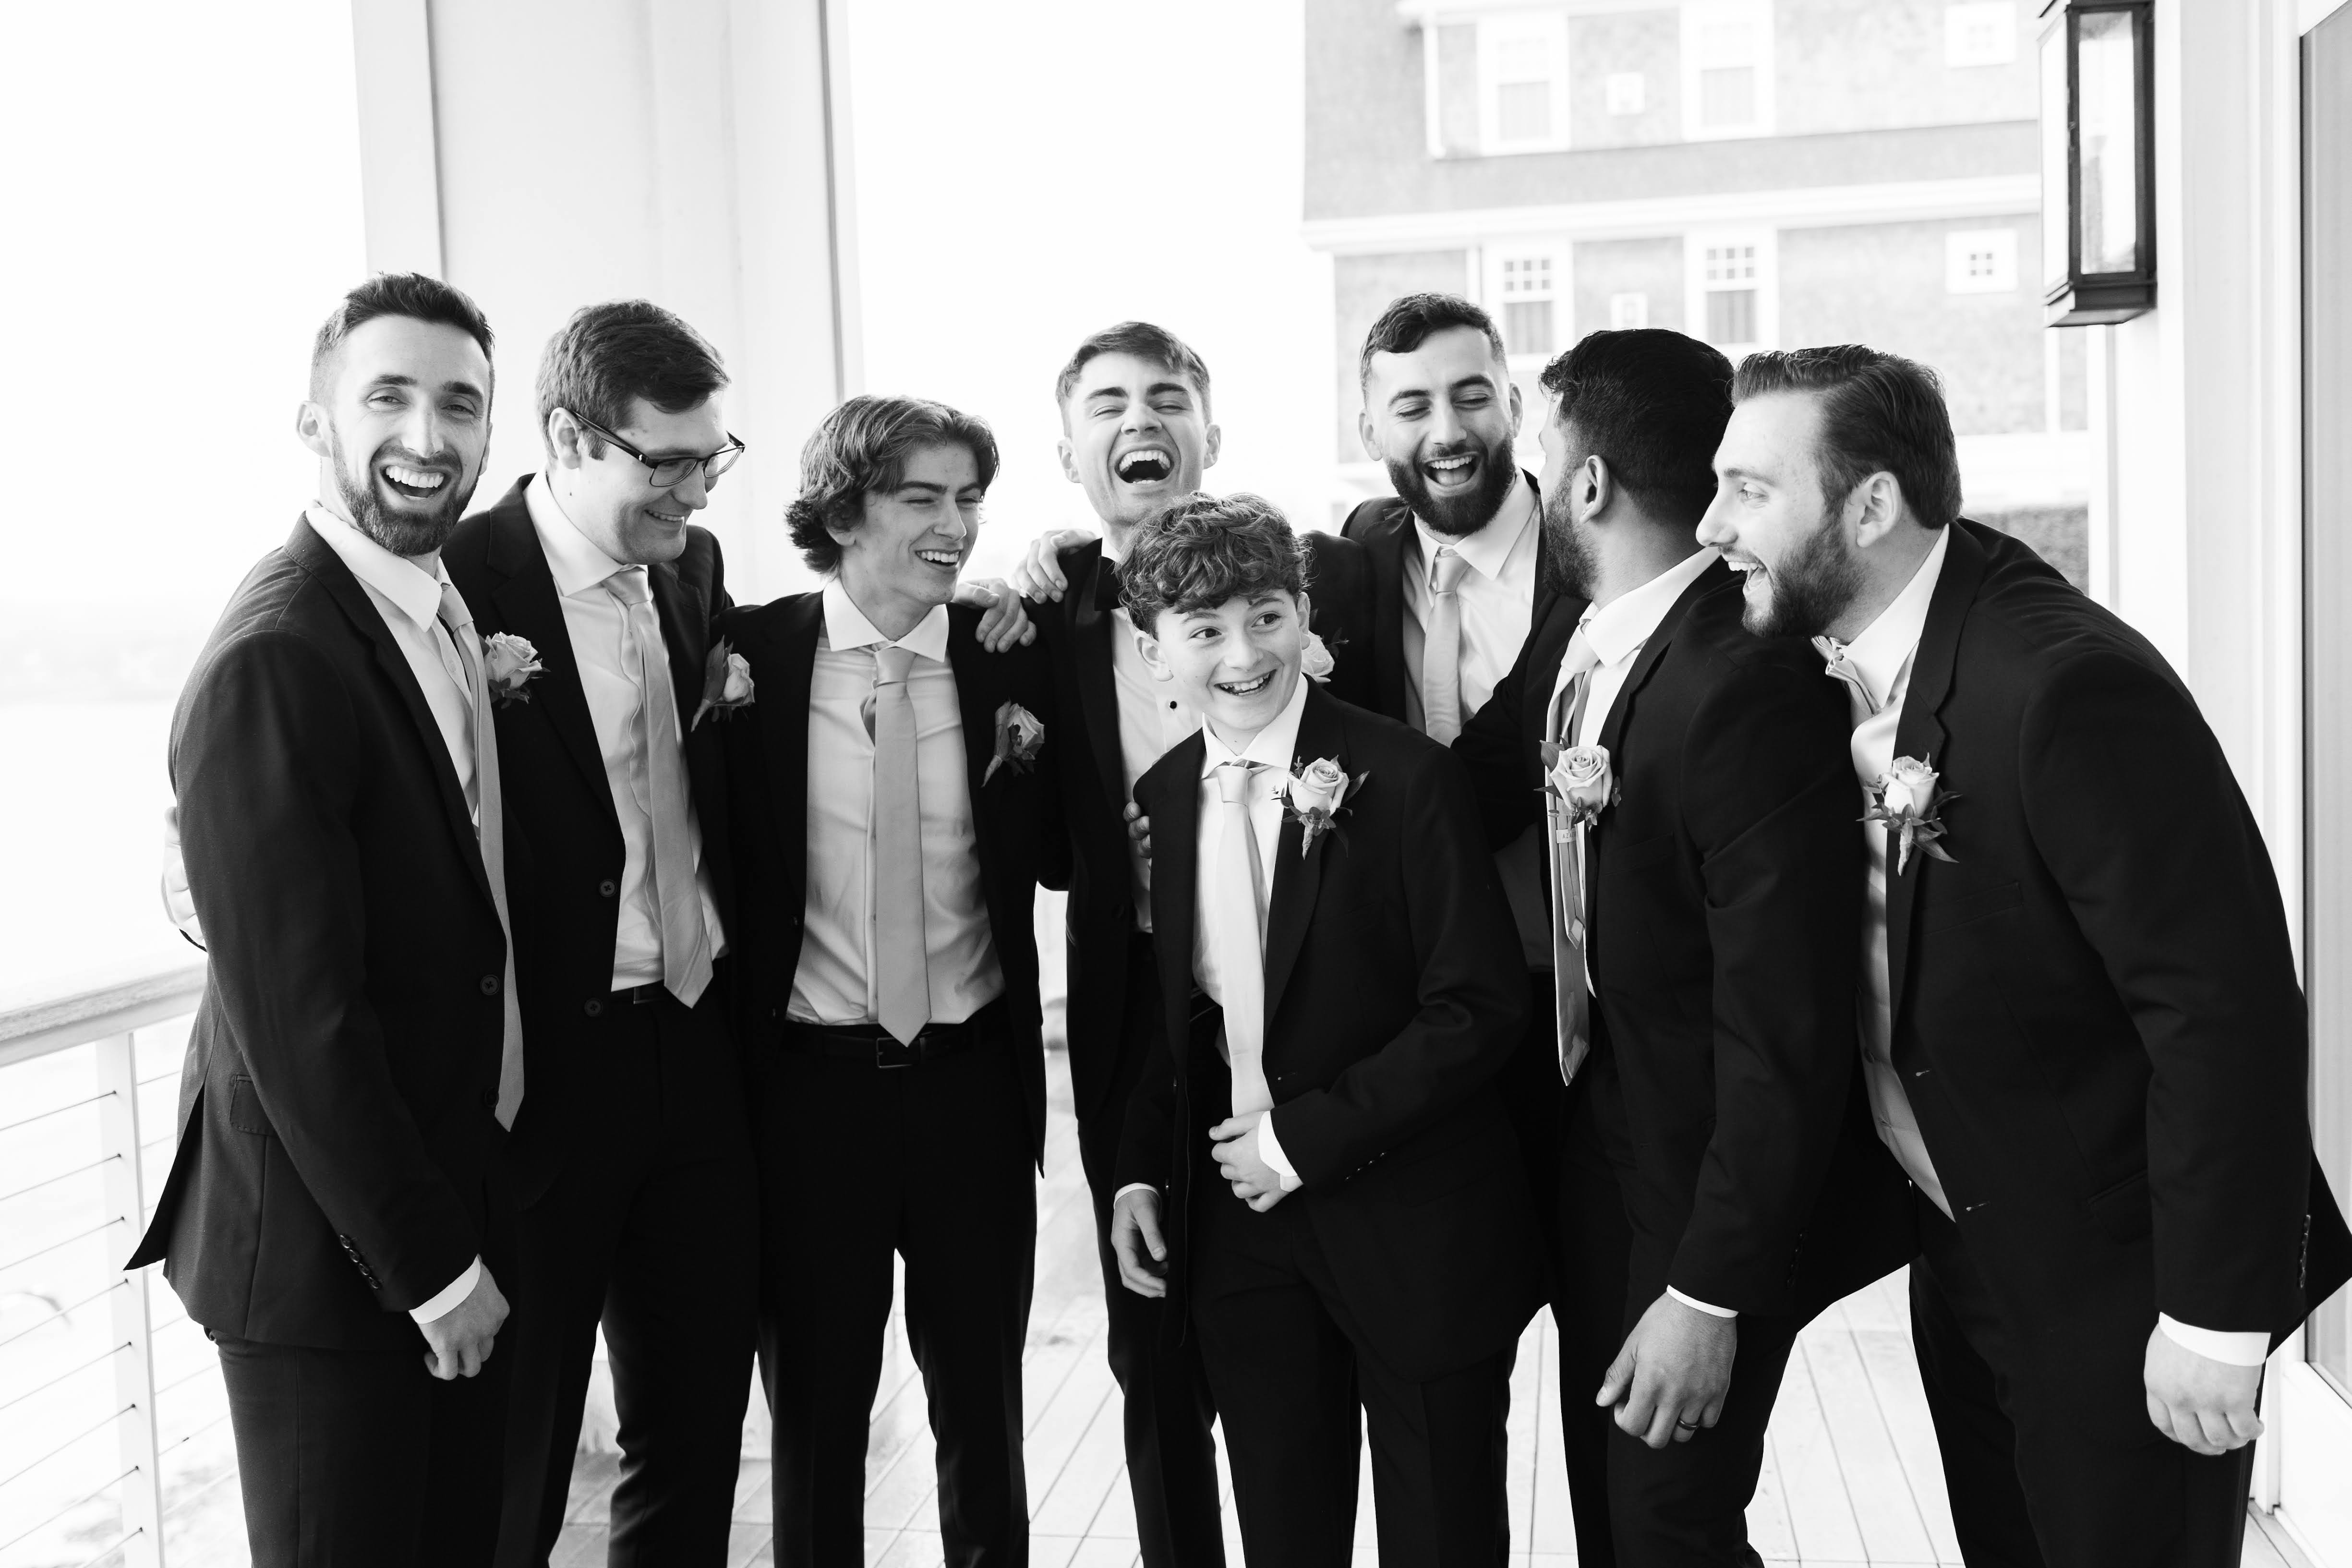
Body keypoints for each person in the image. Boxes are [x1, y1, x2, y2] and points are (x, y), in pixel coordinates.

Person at [1697, 343, 2352, 1568]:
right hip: (1972, 1247)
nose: (1710, 521)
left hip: (2125, 1287)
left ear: (1871, 504)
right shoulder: (1847, 659)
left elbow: (2222, 1010)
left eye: (1746, 488)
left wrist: (2213, 1315)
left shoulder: (2062, 689)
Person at [1455, 329, 1914, 1564]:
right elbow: (1461, 792)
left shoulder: (1743, 683)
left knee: (1670, 1528)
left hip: (1702, 1182)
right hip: (1598, 1147)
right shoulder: (1590, 636)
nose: (1539, 483)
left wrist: (1707, 1290)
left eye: (1548, 457)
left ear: (1589, 482)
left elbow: (1786, 1027)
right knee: (1618, 1516)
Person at [127, 273, 520, 1567]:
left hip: (438, 1204)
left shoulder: (426, 617)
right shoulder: (279, 653)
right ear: (314, 422)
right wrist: (434, 1271)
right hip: (329, 1261)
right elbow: (301, 1020)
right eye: (388, 397)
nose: (427, 435)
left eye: (459, 404)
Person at [1004, 320, 1376, 1568]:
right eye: (1105, 404)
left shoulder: (1301, 588)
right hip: (1141, 1022)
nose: (1138, 420)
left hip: (1312, 1016)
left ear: (1209, 435)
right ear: (1070, 451)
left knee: (1298, 1368)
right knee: (1154, 1360)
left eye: (1167, 398)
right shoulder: (1043, 617)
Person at [1109, 493, 1540, 1567]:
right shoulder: (1163, 796)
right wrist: (1134, 1173)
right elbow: (1187, 1022)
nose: (1242, 652)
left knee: (1442, 1539)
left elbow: (1477, 1007)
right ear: (1154, 652)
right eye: (1202, 631)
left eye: (1265, 615)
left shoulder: (1404, 775)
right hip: (1246, 1240)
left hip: (1413, 1223)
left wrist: (1301, 1140)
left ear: (1306, 616)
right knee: (1284, 1535)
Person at [718, 394, 1065, 1568]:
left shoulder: (1009, 657)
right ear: (843, 509)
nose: (955, 526)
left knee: (985, 1413)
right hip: (812, 1098)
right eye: (922, 497)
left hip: (972, 1087)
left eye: (968, 499)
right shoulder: (745, 658)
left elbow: (1073, 844)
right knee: (816, 1418)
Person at [437, 299, 756, 1567]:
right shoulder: (454, 582)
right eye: (665, 462)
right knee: (518, 1462)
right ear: (570, 438)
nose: (693, 491)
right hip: (541, 1089)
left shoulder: (695, 570)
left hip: (696, 1052)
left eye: (710, 458)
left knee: (692, 1443)